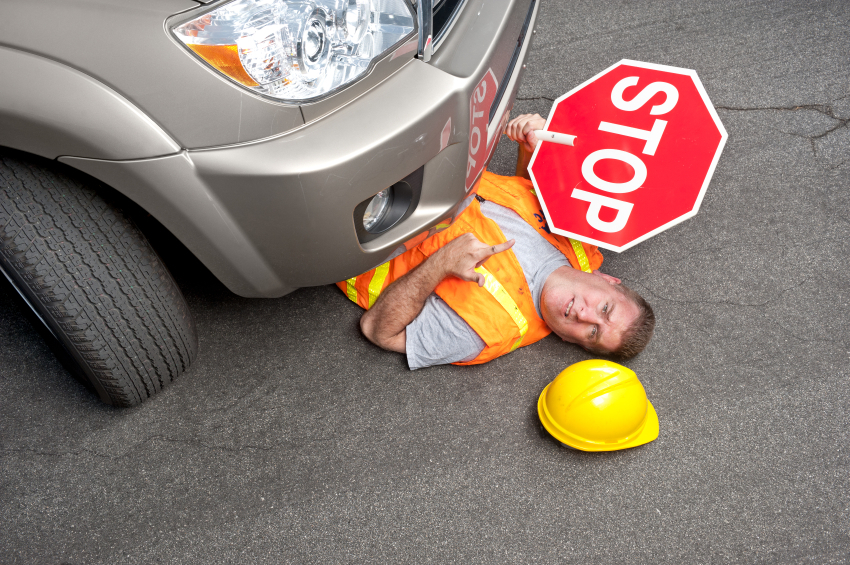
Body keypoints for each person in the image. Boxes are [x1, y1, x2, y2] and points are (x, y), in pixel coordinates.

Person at [338, 113, 655, 369]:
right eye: (604, 308)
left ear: (573, 342)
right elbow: (523, 203)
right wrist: (530, 150)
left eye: (592, 332)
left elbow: (378, 331)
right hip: (428, 154)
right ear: (608, 280)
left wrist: (440, 264)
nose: (585, 315)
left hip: (361, 215)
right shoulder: (581, 237)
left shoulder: (485, 330)